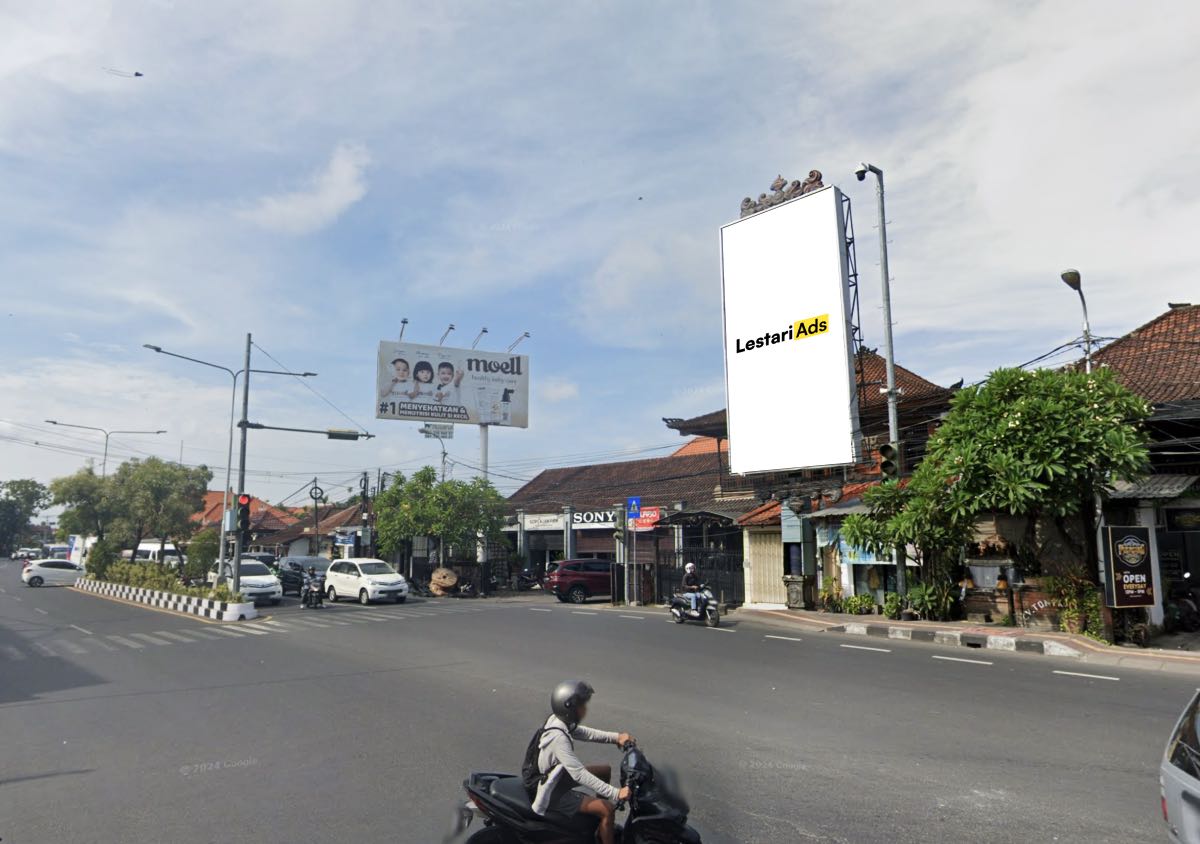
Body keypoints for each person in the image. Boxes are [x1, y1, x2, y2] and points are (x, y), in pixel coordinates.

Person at [532, 680, 633, 844]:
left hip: (558, 775)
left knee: (604, 771)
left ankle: (600, 825)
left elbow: (584, 733)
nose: (585, 709)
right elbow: (579, 774)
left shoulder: (558, 721)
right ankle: (605, 823)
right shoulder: (558, 738)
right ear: (569, 709)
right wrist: (615, 793)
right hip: (553, 792)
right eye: (582, 705)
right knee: (607, 810)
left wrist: (617, 737)